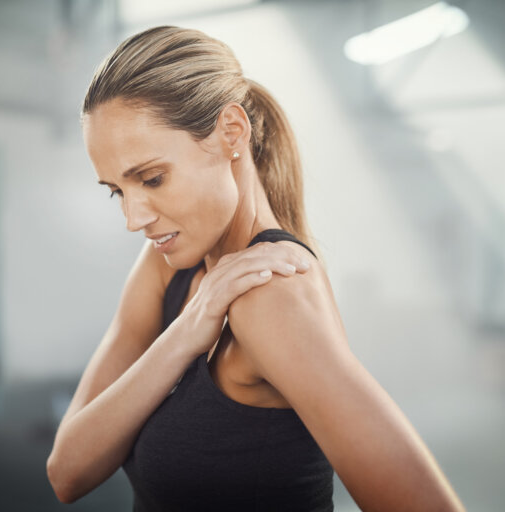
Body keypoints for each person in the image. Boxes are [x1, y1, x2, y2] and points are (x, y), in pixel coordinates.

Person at [47, 26, 465, 511]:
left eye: (153, 178)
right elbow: (67, 471)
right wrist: (185, 334)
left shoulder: (269, 295)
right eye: (118, 191)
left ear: (231, 134)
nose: (133, 218)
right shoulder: (168, 265)